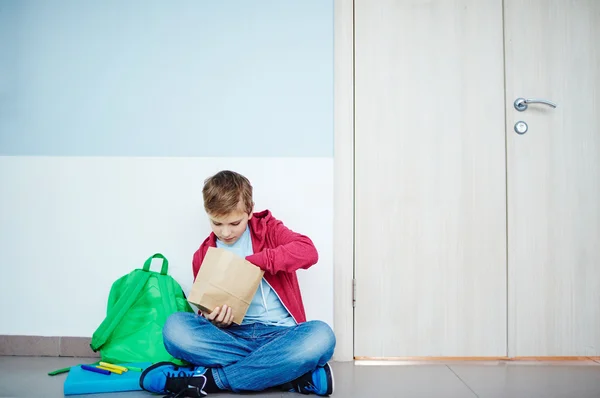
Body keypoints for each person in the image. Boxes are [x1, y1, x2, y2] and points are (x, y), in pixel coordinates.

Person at [139, 170, 336, 397]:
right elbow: (207, 310)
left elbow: (308, 252)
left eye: (234, 223)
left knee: (321, 336)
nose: (225, 232)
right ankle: (289, 373)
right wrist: (216, 321)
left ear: (249, 211)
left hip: (280, 335)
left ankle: (211, 381)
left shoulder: (268, 229)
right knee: (175, 329)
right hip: (233, 337)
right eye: (217, 223)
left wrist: (257, 262)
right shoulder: (203, 255)